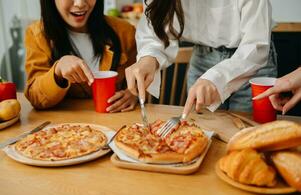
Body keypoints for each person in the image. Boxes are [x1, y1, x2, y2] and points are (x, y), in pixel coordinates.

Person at [125, 0, 277, 116]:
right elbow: (154, 33)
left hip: (251, 62)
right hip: (203, 57)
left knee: (248, 134)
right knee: (202, 128)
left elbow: (255, 45)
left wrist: (215, 78)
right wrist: (148, 58)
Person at [24, 0, 137, 112]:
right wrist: (57, 70)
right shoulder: (37, 35)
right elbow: (35, 97)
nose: (80, 3)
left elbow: (141, 80)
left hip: (118, 123)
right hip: (66, 127)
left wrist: (134, 94)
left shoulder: (125, 31)